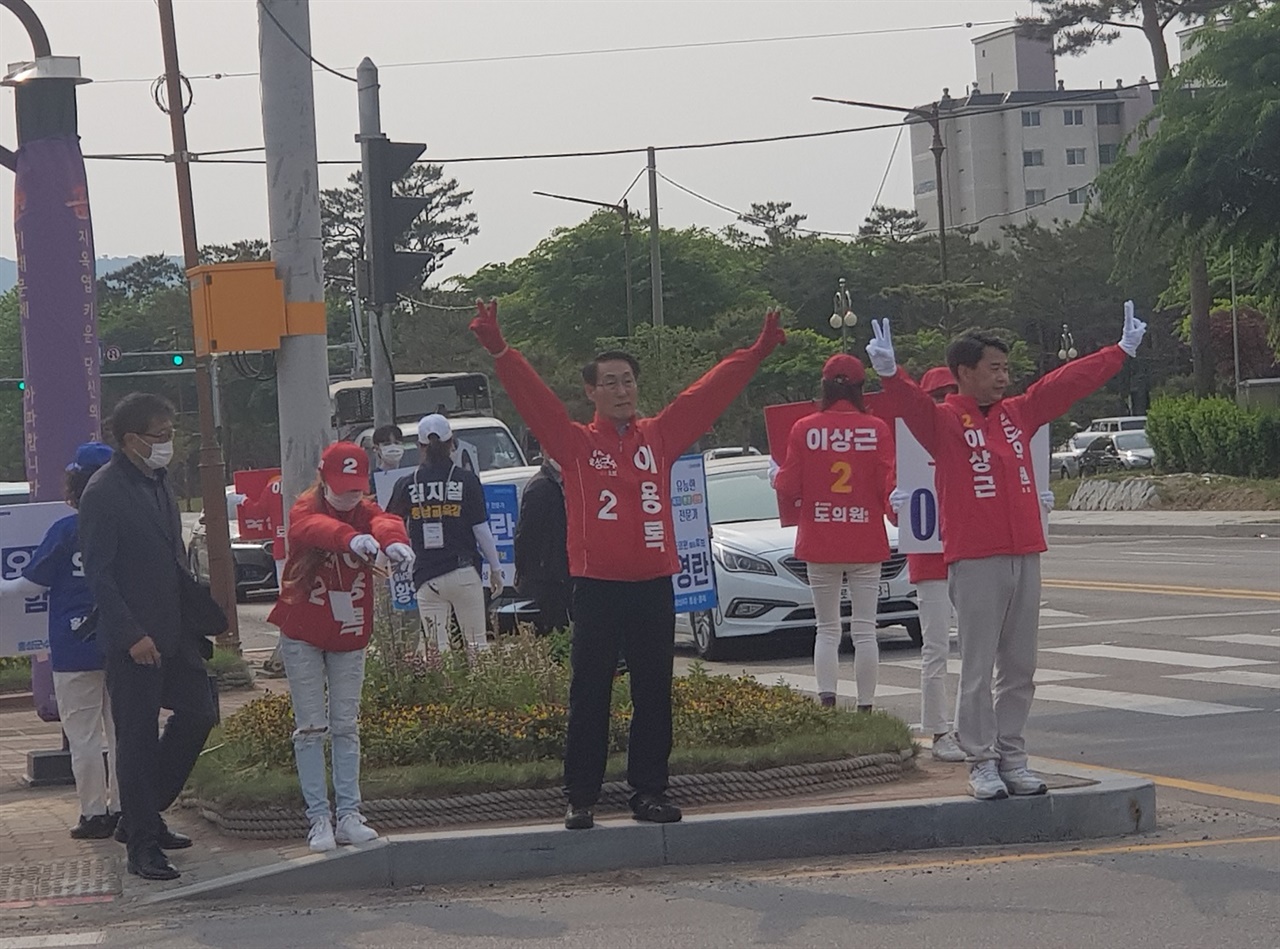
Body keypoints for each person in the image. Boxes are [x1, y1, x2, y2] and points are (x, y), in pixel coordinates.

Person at [470, 299, 786, 830]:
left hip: (652, 584)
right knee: (589, 691)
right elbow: (535, 401)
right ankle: (581, 796)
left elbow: (705, 395)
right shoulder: (573, 444)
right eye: (610, 382)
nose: (622, 391)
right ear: (591, 392)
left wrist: (754, 353)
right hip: (595, 587)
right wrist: (501, 350)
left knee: (653, 692)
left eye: (628, 382)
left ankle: (650, 791)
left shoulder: (658, 437)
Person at [866, 303, 1145, 800]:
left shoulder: (1019, 414)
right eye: (993, 368)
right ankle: (981, 761)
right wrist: (890, 373)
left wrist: (1117, 353)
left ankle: (1014, 756)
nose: (1003, 376)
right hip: (975, 558)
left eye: (1006, 368)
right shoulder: (944, 420)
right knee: (977, 666)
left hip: (1024, 553)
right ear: (964, 373)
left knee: (1020, 667)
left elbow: (1063, 384)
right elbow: (911, 407)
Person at [79, 393, 220, 881]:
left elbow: (170, 559)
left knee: (201, 711)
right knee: (135, 739)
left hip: (174, 631)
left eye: (171, 434)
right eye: (160, 436)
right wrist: (130, 633)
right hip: (134, 640)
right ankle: (142, 845)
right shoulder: (103, 492)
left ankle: (142, 811)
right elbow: (99, 575)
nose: (168, 444)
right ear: (131, 439)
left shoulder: (158, 481)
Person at [268, 442, 414, 853]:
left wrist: (394, 541)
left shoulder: (365, 510)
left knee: (346, 725)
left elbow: (385, 520)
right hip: (304, 632)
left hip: (349, 632)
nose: (350, 494)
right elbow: (307, 528)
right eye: (341, 486)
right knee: (311, 727)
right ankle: (319, 818)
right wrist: (350, 540)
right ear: (323, 478)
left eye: (356, 487)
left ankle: (350, 814)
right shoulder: (305, 507)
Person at [0, 442, 118, 839]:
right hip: (125, 641)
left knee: (83, 736)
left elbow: (29, 585)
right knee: (125, 734)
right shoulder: (131, 525)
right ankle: (126, 808)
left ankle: (93, 814)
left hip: (74, 644)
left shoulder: (67, 530)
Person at [772, 354, 894, 712]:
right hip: (866, 540)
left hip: (819, 539)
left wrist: (774, 475)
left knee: (826, 627)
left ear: (824, 386)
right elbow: (888, 484)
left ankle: (827, 701)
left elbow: (789, 485)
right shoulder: (877, 429)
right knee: (865, 629)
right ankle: (866, 706)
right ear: (860, 387)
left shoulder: (804, 428)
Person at [386, 415, 503, 654]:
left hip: (427, 576)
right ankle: (482, 691)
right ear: (453, 443)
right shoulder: (467, 480)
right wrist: (496, 569)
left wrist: (379, 568)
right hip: (464, 573)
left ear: (420, 447)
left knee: (436, 650)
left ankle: (441, 691)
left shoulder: (407, 483)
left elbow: (388, 527)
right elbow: (481, 529)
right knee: (477, 645)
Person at [514, 457, 570, 635]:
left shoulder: (564, 484)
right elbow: (525, 535)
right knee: (552, 630)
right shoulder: (540, 487)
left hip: (563, 574)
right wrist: (522, 571)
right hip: (546, 577)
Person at [369, 423, 406, 495]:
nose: (393, 447)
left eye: (397, 443)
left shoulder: (412, 474)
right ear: (376, 448)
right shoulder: (372, 479)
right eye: (387, 444)